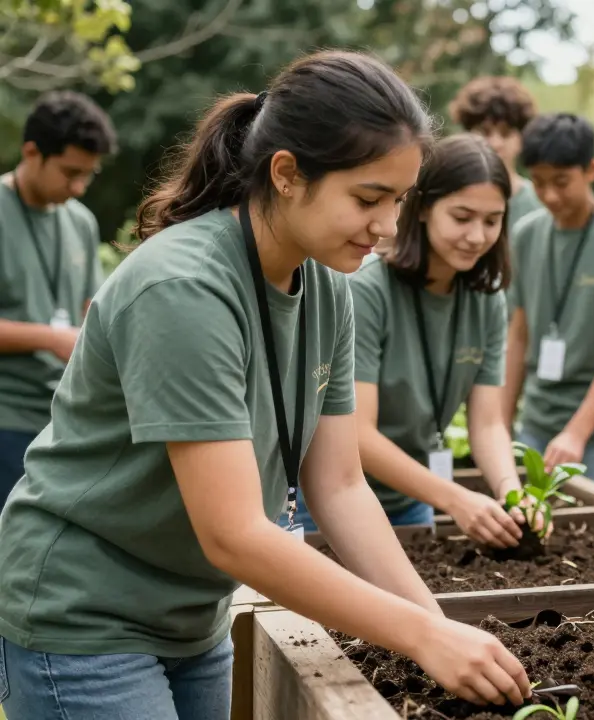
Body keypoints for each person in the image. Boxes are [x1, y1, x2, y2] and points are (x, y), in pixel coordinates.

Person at [0, 51, 530, 720]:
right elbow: (233, 534)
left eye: (399, 200)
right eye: (367, 198)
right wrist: (422, 637)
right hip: (82, 614)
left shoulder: (330, 289)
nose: (389, 227)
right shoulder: (185, 288)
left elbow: (338, 486)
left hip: (192, 613)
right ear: (286, 174)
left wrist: (441, 630)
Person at [286, 134, 533, 549]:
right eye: (462, 217)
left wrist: (512, 493)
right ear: (422, 209)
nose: (477, 236)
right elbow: (358, 433)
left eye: (492, 221)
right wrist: (453, 497)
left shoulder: (487, 299)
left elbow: (488, 422)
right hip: (326, 503)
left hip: (412, 501)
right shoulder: (367, 291)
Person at [503, 112, 594, 495]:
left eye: (561, 182)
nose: (549, 195)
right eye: (538, 182)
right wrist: (500, 427)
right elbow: (518, 335)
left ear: (592, 169)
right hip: (535, 425)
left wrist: (575, 432)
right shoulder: (525, 234)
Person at [0, 90, 116, 503]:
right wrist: (50, 338)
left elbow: (91, 311)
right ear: (32, 152)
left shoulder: (81, 223)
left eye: (88, 174)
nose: (80, 186)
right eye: (70, 172)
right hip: (7, 415)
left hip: (63, 420)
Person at [449, 75, 543, 232]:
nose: (495, 143)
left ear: (522, 138)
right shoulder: (448, 195)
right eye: (485, 132)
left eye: (506, 134)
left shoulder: (538, 203)